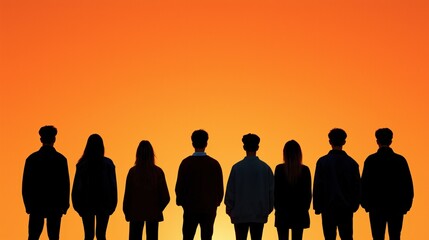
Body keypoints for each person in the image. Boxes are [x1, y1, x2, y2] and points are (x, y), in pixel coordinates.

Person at [361, 128, 414, 240]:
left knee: (377, 236)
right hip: (396, 206)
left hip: (376, 206)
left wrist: (366, 204)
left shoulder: (371, 160)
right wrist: (405, 206)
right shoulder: (400, 160)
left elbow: (364, 184)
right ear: (390, 141)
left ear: (377, 141)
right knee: (395, 236)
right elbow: (408, 185)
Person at [22, 125, 70, 240]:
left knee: (33, 236)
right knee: (54, 236)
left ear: (41, 139)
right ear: (54, 139)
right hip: (55, 205)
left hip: (36, 204)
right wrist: (64, 205)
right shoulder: (61, 159)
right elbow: (65, 185)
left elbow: (26, 185)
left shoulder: (32, 159)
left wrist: (28, 205)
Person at [175, 129, 224, 240]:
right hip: (208, 209)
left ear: (192, 143)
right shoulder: (214, 164)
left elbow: (179, 187)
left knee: (187, 236)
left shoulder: (186, 163)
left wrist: (182, 202)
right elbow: (219, 189)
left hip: (190, 208)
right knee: (207, 237)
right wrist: (215, 203)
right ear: (206, 143)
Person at [225, 133, 274, 240]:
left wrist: (230, 208)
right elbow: (272, 193)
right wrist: (267, 209)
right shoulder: (265, 168)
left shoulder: (236, 168)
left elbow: (230, 191)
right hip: (259, 214)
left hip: (239, 214)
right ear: (257, 147)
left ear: (244, 147)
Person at [313, 128, 360, 240]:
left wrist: (317, 206)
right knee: (347, 236)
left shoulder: (322, 162)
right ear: (344, 142)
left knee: (329, 237)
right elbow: (357, 187)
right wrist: (354, 205)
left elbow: (317, 186)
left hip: (327, 207)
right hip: (346, 208)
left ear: (330, 141)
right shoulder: (352, 163)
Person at [72, 134, 117, 240]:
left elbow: (77, 187)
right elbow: (113, 186)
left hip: (86, 204)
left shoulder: (82, 164)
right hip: (104, 204)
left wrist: (77, 206)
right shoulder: (108, 164)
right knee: (101, 235)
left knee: (88, 235)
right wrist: (112, 205)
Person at [123, 140, 170, 240]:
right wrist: (157, 208)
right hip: (153, 214)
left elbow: (127, 195)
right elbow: (166, 197)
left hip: (135, 214)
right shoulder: (158, 172)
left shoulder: (132, 172)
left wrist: (127, 212)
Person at [274, 140, 312, 240]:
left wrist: (278, 208)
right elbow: (308, 194)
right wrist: (304, 209)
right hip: (299, 213)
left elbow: (276, 193)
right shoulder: (305, 170)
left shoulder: (279, 169)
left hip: (282, 214)